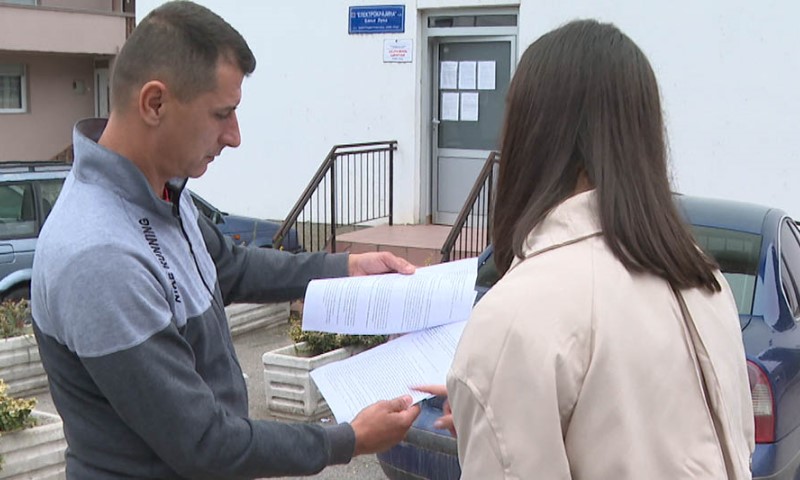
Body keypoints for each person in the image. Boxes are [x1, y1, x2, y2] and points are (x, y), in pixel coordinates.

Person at [30, 2, 419, 478]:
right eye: (222, 114)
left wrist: (347, 269)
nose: (234, 137)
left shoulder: (161, 192)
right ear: (155, 104)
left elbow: (231, 266)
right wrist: (348, 439)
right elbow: (203, 442)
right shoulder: (100, 256)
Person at [444, 20, 755, 479]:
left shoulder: (517, 318)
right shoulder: (704, 281)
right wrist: (500, 412)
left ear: (531, 136)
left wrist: (497, 404)